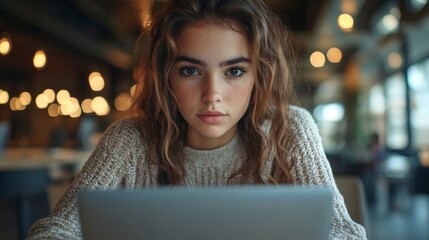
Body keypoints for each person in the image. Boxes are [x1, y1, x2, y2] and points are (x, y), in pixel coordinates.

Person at [28, 0, 367, 239]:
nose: (212, 94)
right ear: (167, 77)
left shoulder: (290, 129)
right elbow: (56, 230)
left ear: (258, 76)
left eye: (234, 71)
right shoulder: (130, 139)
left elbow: (344, 232)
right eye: (190, 70)